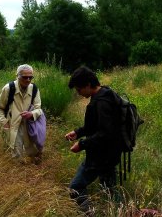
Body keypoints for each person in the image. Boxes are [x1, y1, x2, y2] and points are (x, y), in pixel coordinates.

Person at [65, 66, 122, 215]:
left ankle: (91, 214)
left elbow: (105, 133)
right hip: (110, 154)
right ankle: (120, 212)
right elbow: (95, 127)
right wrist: (77, 132)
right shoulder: (106, 93)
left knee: (75, 187)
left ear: (88, 85)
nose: (78, 93)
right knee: (109, 191)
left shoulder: (102, 102)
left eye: (79, 89)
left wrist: (82, 144)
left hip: (100, 157)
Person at [0, 64, 43, 164]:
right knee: (16, 154)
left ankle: (34, 166)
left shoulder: (34, 89)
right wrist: (4, 122)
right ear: (18, 76)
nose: (28, 80)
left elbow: (39, 109)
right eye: (25, 77)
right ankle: (18, 171)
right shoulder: (9, 88)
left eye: (31, 77)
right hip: (13, 125)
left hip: (30, 125)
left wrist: (31, 114)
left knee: (34, 150)